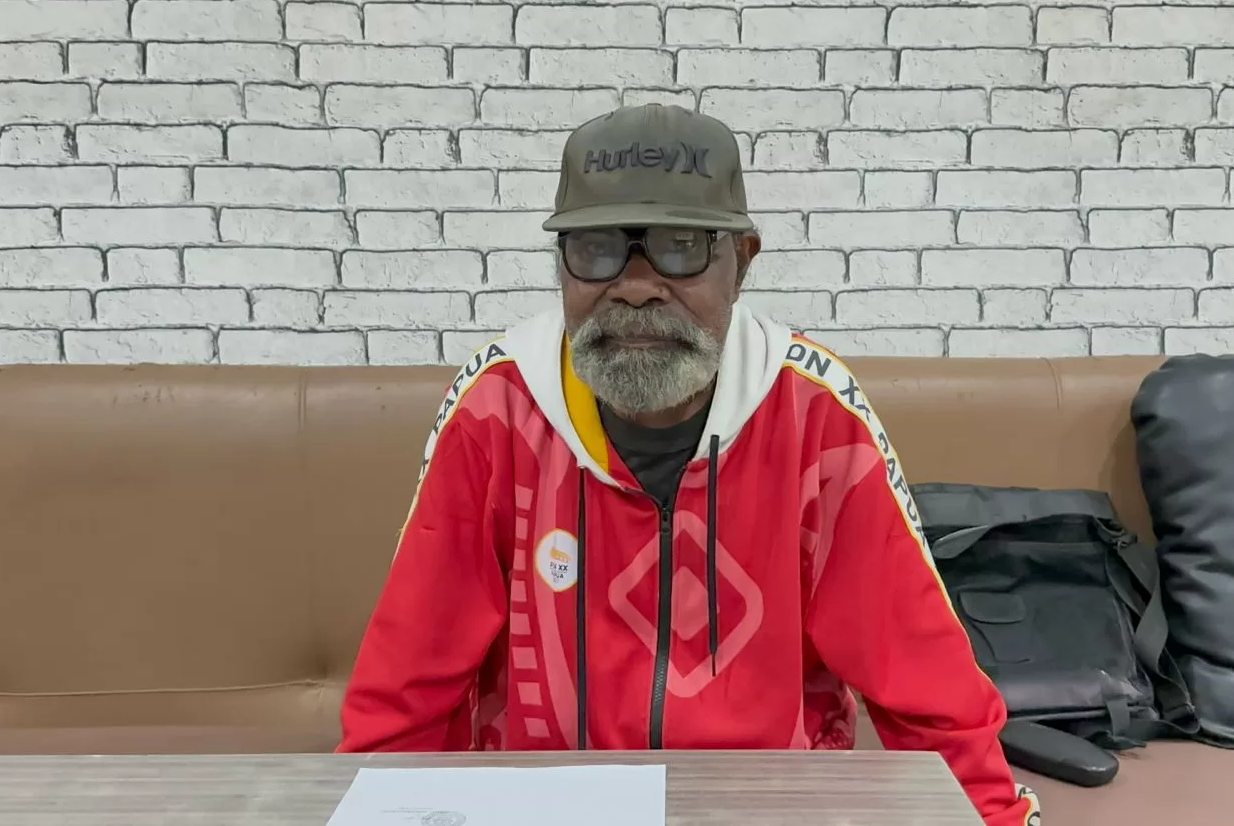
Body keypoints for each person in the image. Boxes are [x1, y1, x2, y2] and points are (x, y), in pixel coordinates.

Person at [337, 103, 1041, 826]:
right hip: (548, 807)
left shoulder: (816, 418)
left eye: (681, 247)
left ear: (742, 261)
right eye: (597, 248)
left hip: (767, 810)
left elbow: (930, 697)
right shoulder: (497, 412)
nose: (636, 285)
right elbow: (407, 695)